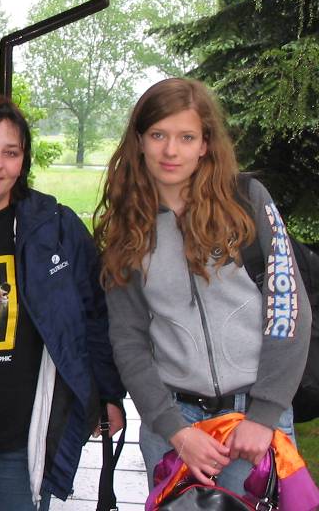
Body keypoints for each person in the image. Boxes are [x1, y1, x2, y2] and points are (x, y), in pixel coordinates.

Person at [93, 77, 310, 494]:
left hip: (254, 424)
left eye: (186, 137)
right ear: (139, 141)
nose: (171, 151)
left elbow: (288, 310)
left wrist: (264, 415)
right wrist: (174, 430)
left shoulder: (246, 201)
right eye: (158, 135)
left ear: (205, 144)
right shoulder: (127, 226)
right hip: (174, 426)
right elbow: (128, 339)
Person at [0, 96, 125, 510]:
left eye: (11, 152)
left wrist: (107, 394)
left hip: (19, 440)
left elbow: (94, 314)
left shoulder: (53, 229)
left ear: (23, 163)